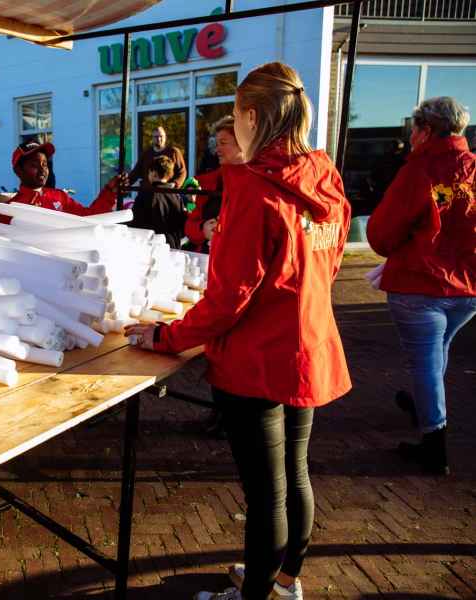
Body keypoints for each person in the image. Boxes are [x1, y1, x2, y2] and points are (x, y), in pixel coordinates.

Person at [126, 62, 351, 600]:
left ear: (250, 116)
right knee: (295, 475)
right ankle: (286, 583)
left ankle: (255, 594)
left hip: (259, 361)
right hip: (306, 346)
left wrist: (165, 337)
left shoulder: (253, 187)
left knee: (267, 494)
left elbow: (229, 298)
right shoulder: (322, 173)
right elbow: (331, 259)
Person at [366, 96, 475, 476]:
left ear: (426, 131)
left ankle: (434, 442)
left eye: (413, 128)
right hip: (467, 289)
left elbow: (382, 233)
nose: (410, 136)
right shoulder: (472, 168)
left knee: (426, 362)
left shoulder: (419, 171)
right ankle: (427, 407)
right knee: (437, 353)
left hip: (421, 283)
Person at [11, 140, 124, 215]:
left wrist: (109, 191)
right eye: (34, 165)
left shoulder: (59, 197)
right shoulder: (10, 208)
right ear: (18, 171)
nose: (42, 170)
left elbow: (89, 217)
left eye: (45, 164)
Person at [187, 116, 245, 253]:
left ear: (242, 143)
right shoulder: (203, 182)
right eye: (216, 144)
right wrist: (202, 229)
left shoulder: (260, 182)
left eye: (223, 143)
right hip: (208, 258)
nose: (217, 149)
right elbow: (189, 224)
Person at [128, 155, 185, 248]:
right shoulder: (177, 197)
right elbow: (182, 226)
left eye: (149, 172)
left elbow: (135, 224)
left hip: (151, 247)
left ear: (153, 173)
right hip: (173, 247)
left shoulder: (146, 195)